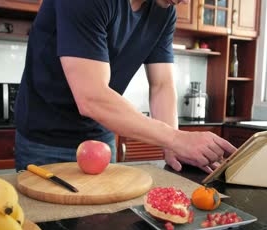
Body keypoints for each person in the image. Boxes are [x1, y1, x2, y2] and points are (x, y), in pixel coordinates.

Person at [14, 0, 237, 173]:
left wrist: (173, 147)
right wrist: (176, 139)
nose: (187, 2)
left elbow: (162, 85)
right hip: (44, 139)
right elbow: (91, 97)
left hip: (100, 137)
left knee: (99, 225)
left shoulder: (164, 11)